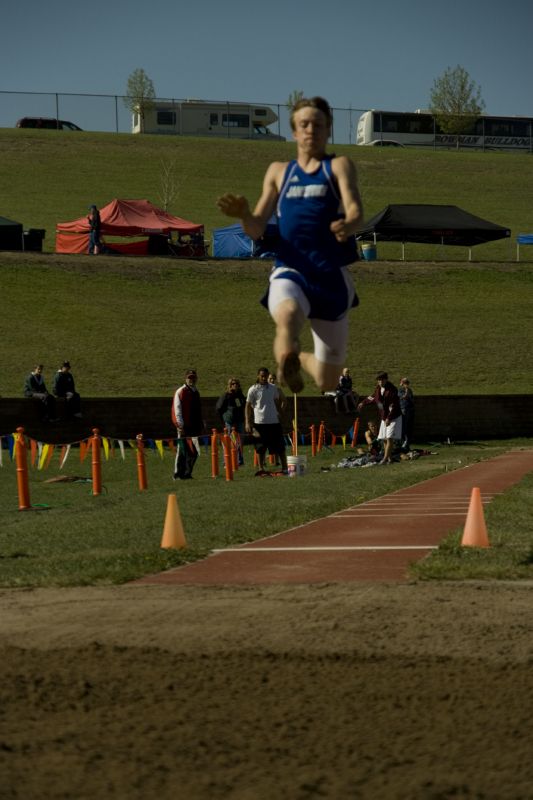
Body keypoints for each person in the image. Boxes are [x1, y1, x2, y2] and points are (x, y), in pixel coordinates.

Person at [217, 96, 364, 395]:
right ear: (295, 131)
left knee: (328, 381)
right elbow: (257, 229)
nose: (311, 130)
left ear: (328, 129)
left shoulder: (338, 167)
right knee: (287, 318)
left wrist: (348, 225)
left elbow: (356, 210)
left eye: (318, 125)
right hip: (291, 268)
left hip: (330, 277)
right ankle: (286, 358)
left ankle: (301, 360)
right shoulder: (278, 172)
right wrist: (244, 214)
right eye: (304, 124)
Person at [245, 367, 288, 474]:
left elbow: (277, 403)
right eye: (262, 376)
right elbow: (247, 407)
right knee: (260, 447)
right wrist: (247, 422)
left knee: (280, 446)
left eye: (265, 376)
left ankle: (284, 468)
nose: (264, 378)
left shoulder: (273, 388)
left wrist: (282, 415)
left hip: (274, 422)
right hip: (260, 423)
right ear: (258, 376)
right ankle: (261, 469)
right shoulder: (253, 389)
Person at [357, 372, 402, 465]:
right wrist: (363, 403)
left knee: (389, 438)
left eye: (381, 380)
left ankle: (384, 459)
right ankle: (389, 459)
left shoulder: (392, 390)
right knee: (384, 438)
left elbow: (393, 406)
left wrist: (389, 418)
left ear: (386, 379)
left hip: (393, 417)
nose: (380, 382)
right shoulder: (378, 389)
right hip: (384, 416)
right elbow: (373, 397)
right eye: (378, 380)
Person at [171, 369, 205, 480]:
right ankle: (177, 474)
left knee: (194, 452)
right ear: (186, 378)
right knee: (182, 451)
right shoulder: (181, 392)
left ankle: (187, 473)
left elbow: (198, 410)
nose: (191, 379)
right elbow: (177, 410)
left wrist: (201, 423)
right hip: (184, 427)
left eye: (193, 377)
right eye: (189, 377)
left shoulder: (196, 392)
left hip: (195, 427)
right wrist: (180, 426)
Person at [216, 377, 247, 465]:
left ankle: (240, 460)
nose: (235, 385)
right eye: (233, 384)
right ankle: (226, 461)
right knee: (230, 441)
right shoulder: (226, 395)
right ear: (230, 385)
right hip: (230, 422)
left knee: (240, 441)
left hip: (240, 421)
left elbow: (244, 406)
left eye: (237, 384)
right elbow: (218, 407)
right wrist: (224, 417)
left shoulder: (240, 395)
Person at [398, 377, 415, 452]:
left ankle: (407, 444)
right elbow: (402, 398)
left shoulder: (409, 390)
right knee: (403, 427)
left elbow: (411, 399)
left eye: (406, 383)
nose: (405, 384)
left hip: (409, 410)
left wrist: (408, 392)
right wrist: (406, 392)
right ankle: (403, 444)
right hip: (403, 410)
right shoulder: (400, 390)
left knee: (408, 427)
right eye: (404, 383)